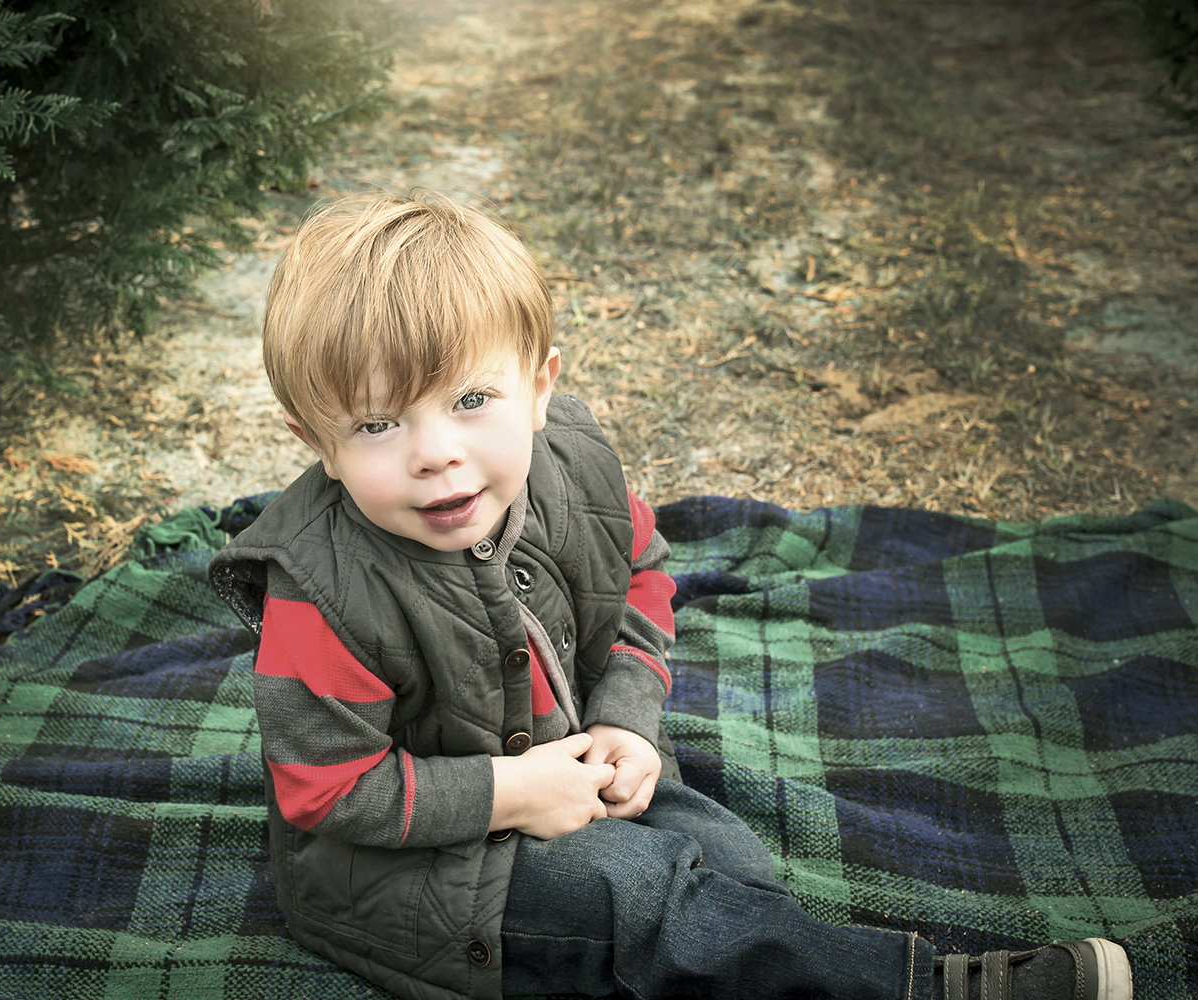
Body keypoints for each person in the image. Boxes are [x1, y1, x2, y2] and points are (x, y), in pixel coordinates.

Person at [207, 192, 1132, 1000]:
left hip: (574, 765)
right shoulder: (322, 593)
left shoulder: (573, 473)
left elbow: (640, 580)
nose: (436, 452)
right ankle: (932, 986)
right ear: (318, 443)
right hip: (412, 872)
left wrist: (628, 721)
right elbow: (329, 791)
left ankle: (760, 964)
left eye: (471, 401)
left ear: (539, 388)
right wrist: (512, 792)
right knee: (640, 898)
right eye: (378, 424)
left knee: (727, 862)